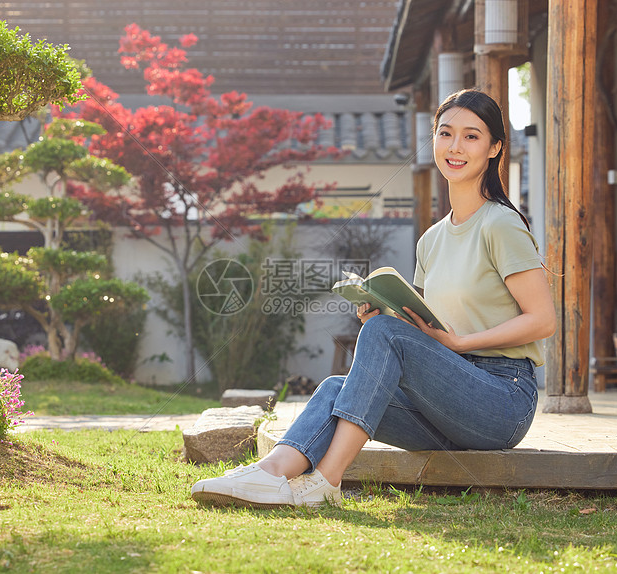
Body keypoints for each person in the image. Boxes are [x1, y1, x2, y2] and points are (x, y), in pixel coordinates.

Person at [190, 88, 556, 509]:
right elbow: (423, 329)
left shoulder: (500, 224)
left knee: (381, 337)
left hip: (501, 399)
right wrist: (384, 315)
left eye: (471, 137)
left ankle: (325, 482)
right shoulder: (431, 240)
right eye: (445, 133)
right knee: (334, 388)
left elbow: (543, 320)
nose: (455, 147)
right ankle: (270, 473)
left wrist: (457, 344)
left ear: (494, 148)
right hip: (447, 397)